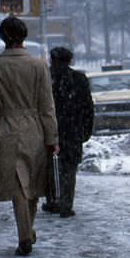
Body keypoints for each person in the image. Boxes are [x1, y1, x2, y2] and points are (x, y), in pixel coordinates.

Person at [0, 16, 59, 256]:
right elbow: (47, 105)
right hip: (35, 127)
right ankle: (28, 229)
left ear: (2, 38)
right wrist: (52, 138)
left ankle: (24, 234)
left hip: (9, 127)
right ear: (24, 36)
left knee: (18, 185)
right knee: (32, 182)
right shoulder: (38, 66)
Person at [42, 46, 94, 218]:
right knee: (69, 169)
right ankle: (66, 203)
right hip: (72, 129)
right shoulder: (78, 79)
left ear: (52, 60)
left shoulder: (46, 78)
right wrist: (86, 129)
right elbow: (88, 107)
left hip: (50, 128)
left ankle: (52, 200)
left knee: (49, 166)